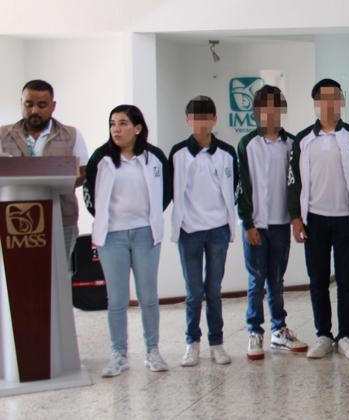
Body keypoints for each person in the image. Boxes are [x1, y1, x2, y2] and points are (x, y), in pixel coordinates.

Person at [83, 104, 170, 377]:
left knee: (148, 295)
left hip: (146, 234)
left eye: (122, 123)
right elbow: (90, 194)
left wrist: (151, 216)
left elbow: (166, 191)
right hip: (112, 236)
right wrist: (105, 218)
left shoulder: (154, 157)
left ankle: (152, 351)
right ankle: (118, 354)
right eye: (112, 124)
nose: (116, 129)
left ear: (138, 128)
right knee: (117, 298)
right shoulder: (101, 158)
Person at [289, 79, 349, 360]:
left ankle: (347, 335)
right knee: (318, 280)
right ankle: (323, 334)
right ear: (316, 102)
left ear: (341, 101)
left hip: (347, 219)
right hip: (314, 220)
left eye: (335, 97)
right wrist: (295, 218)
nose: (329, 103)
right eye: (324, 98)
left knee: (347, 280)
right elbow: (293, 182)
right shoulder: (303, 140)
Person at [237, 85, 308, 360]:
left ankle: (279, 330)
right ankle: (254, 332)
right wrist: (247, 223)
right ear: (256, 111)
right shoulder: (247, 144)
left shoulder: (292, 144)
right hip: (256, 224)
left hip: (280, 222)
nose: (270, 112)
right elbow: (241, 186)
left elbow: (296, 185)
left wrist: (295, 218)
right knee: (256, 280)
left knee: (276, 280)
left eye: (275, 107)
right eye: (265, 107)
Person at [168, 96, 238, 367]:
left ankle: (217, 343)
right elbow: (171, 190)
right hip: (190, 231)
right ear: (188, 121)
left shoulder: (227, 152)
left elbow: (234, 186)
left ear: (214, 119)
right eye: (195, 118)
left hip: (218, 229)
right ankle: (192, 342)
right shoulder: (178, 153)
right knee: (194, 292)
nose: (200, 123)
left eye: (205, 118)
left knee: (214, 290)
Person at [0, 80, 89, 260]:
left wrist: (55, 184)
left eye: (42, 105)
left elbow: (83, 172)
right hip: (13, 218)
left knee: (61, 270)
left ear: (53, 106)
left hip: (62, 216)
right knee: (19, 270)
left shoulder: (71, 135)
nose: (34, 110)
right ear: (21, 103)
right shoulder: (3, 135)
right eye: (28, 104)